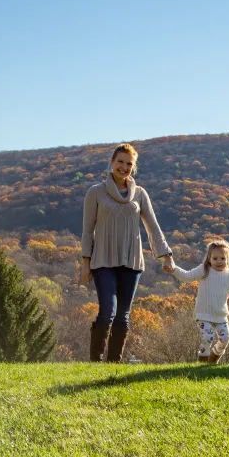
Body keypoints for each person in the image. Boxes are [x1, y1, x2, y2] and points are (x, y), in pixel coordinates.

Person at [80, 143, 174, 362]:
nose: (124, 167)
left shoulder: (140, 194)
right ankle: (95, 361)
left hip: (131, 264)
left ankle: (114, 363)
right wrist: (85, 263)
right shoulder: (95, 192)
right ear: (112, 162)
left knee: (123, 317)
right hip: (102, 262)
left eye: (129, 164)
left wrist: (166, 255)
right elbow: (87, 230)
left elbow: (153, 227)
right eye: (120, 162)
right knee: (107, 313)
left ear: (134, 167)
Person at [166, 239, 229, 363]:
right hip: (204, 314)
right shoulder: (204, 270)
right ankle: (202, 362)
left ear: (228, 260)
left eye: (223, 258)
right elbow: (187, 276)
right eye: (215, 258)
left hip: (220, 315)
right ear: (209, 259)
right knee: (208, 338)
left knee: (225, 339)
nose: (219, 261)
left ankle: (213, 359)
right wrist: (174, 269)